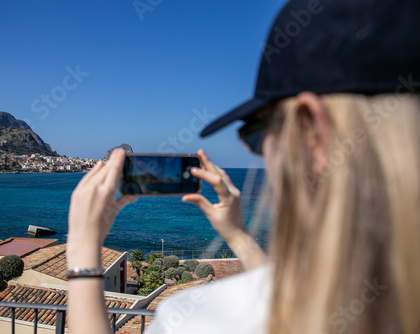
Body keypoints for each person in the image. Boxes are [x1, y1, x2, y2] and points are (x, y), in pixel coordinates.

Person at [66, 0, 420, 333]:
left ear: (313, 134)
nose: (257, 153)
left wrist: (83, 244)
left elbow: (279, 296)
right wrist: (236, 233)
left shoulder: (200, 321)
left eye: (255, 134)